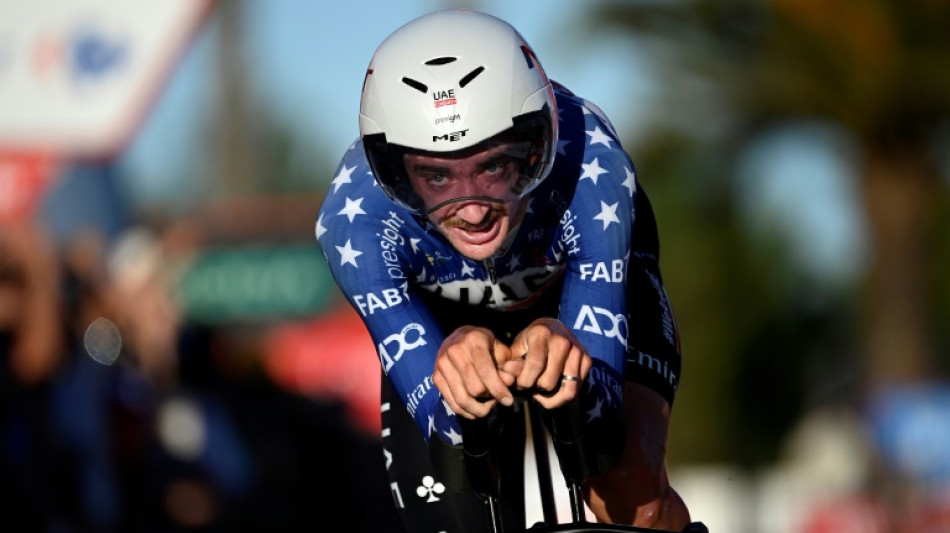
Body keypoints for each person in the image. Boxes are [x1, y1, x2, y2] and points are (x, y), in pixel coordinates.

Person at [316, 9, 691, 532]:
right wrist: (454, 367)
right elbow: (450, 437)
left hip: (573, 289)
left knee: (630, 491)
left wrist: (570, 354)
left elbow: (601, 419)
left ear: (537, 145)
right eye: (436, 177)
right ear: (394, 172)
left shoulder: (594, 170)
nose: (472, 211)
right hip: (442, 317)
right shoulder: (354, 223)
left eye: (493, 166)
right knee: (456, 513)